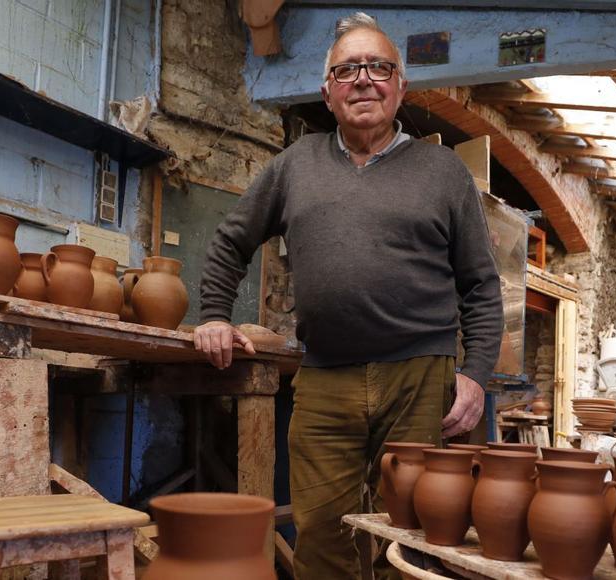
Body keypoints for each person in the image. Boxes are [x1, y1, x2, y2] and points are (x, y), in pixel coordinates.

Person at [194, 12, 503, 579]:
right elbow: (229, 241)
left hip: (420, 379)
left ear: (400, 85)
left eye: (379, 67)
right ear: (327, 92)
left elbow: (481, 283)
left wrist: (476, 373)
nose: (364, 79)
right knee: (321, 534)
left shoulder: (442, 171)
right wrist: (213, 314)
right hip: (325, 379)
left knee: (410, 537)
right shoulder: (293, 166)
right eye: (347, 70)